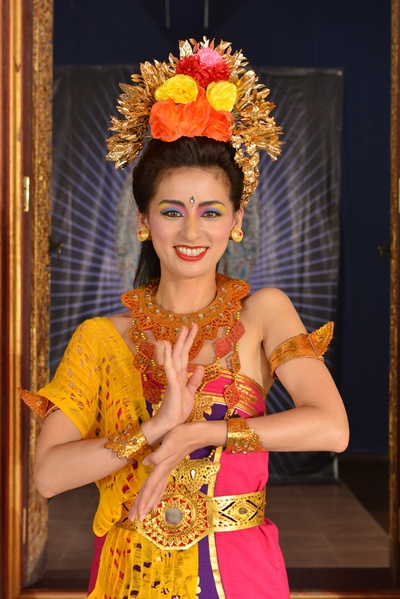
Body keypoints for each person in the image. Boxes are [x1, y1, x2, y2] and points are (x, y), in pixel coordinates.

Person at [21, 38, 349, 598]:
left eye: (211, 212)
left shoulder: (263, 313)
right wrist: (153, 429)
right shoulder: (102, 339)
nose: (192, 232)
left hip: (240, 573)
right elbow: (49, 476)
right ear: (144, 220)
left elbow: (332, 429)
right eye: (172, 211)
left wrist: (202, 430)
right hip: (131, 575)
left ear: (236, 221)